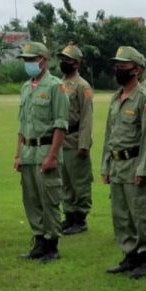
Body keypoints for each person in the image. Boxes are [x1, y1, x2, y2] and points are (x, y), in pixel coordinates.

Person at [101, 46, 146, 279]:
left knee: (140, 213)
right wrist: (106, 165)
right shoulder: (117, 97)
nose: (118, 69)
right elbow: (109, 134)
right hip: (117, 165)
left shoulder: (145, 97)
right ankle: (129, 256)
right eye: (117, 65)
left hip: (135, 163)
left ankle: (143, 259)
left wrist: (144, 169)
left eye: (123, 66)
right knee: (121, 214)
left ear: (136, 69)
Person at [14, 41, 69, 262]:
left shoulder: (55, 86)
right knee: (31, 200)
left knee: (49, 201)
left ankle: (51, 245)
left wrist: (52, 156)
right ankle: (39, 241)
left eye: (31, 59)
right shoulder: (26, 87)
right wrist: (18, 154)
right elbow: (22, 125)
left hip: (45, 151)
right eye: (25, 60)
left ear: (43, 60)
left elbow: (60, 125)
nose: (28, 63)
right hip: (28, 152)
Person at [58, 44, 94, 235]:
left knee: (78, 181)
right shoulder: (59, 83)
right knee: (65, 181)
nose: (63, 62)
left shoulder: (82, 86)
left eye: (68, 60)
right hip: (60, 140)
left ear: (77, 63)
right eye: (62, 59)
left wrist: (84, 144)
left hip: (75, 139)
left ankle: (80, 219)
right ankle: (69, 215)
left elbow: (87, 117)